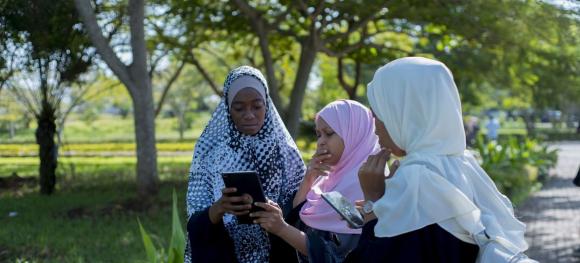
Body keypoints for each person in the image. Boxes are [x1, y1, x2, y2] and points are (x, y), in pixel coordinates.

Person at [346, 57, 530, 262]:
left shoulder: (415, 181)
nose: (376, 127)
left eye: (378, 114)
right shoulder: (463, 164)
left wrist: (373, 201)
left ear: (405, 114)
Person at [185, 66, 306, 263]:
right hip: (225, 253)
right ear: (227, 108)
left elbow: (302, 208)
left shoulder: (286, 152)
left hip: (277, 253)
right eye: (239, 108)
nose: (249, 115)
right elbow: (195, 219)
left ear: (266, 105)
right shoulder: (210, 153)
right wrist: (219, 208)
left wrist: (277, 214)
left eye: (257, 106)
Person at [250, 100, 383, 262]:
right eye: (318, 134)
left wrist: (282, 228)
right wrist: (308, 179)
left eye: (329, 133)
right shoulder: (327, 179)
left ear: (355, 133)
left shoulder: (367, 183)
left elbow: (336, 255)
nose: (321, 142)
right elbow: (298, 220)